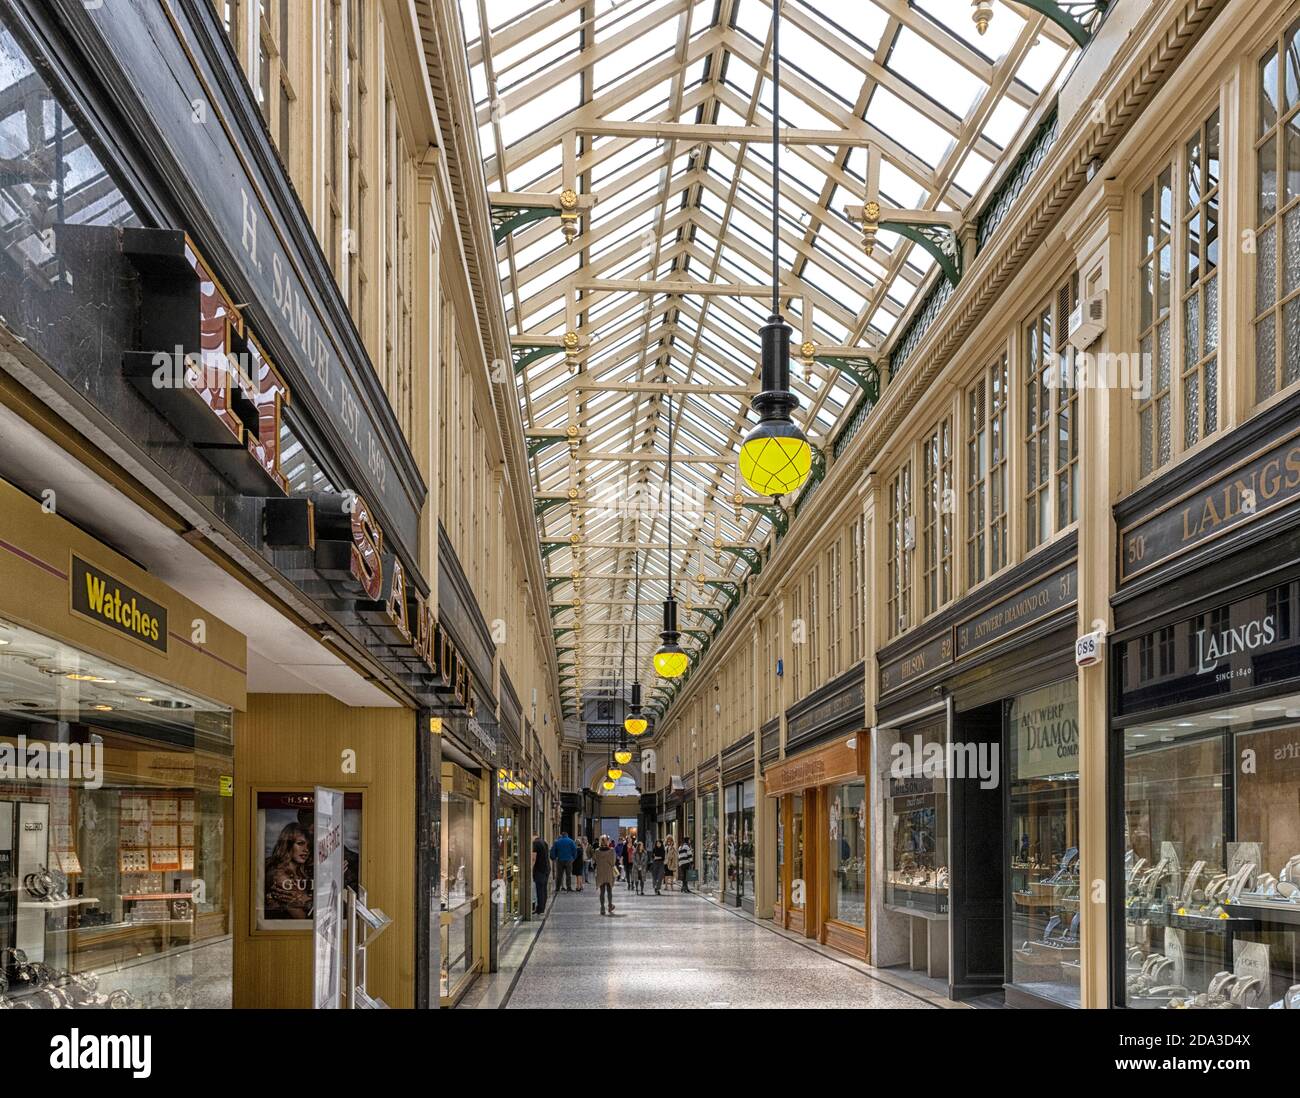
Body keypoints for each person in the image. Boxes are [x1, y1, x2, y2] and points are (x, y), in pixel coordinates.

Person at [594, 835, 617, 916]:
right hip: (609, 872)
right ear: (608, 841)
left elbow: (595, 861)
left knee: (602, 891)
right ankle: (610, 905)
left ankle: (602, 908)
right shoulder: (611, 851)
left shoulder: (597, 851)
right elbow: (613, 862)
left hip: (600, 873)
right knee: (609, 890)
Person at [531, 832, 550, 915]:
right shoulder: (544, 842)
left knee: (539, 890)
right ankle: (542, 907)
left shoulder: (535, 843)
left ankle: (540, 908)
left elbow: (533, 858)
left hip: (539, 870)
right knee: (544, 889)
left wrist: (530, 868)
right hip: (546, 869)